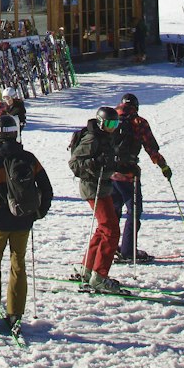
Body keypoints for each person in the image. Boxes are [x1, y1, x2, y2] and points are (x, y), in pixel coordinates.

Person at [0, 114, 52, 333]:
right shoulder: (29, 158)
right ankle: (15, 312)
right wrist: (37, 213)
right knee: (18, 263)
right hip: (23, 221)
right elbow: (46, 188)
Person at [68, 106, 125, 293]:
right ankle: (99, 277)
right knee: (111, 230)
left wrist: (126, 166)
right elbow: (75, 163)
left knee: (104, 228)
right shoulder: (92, 138)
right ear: (101, 123)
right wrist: (94, 164)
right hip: (93, 187)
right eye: (109, 124)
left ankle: (87, 269)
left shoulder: (106, 137)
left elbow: (109, 160)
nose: (112, 127)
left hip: (103, 186)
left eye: (115, 124)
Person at [111, 92, 172, 263]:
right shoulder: (139, 122)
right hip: (129, 176)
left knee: (113, 212)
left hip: (109, 174)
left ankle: (110, 247)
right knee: (134, 211)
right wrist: (164, 167)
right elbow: (151, 148)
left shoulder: (111, 118)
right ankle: (128, 250)